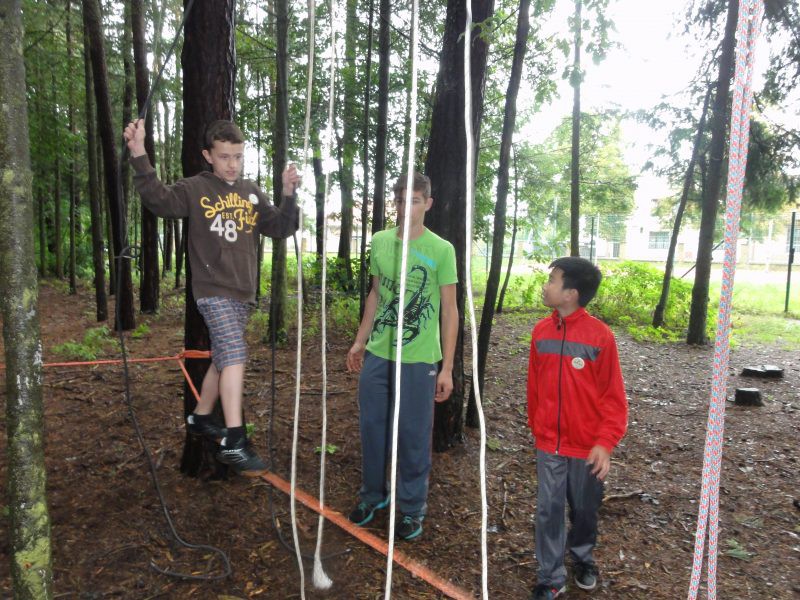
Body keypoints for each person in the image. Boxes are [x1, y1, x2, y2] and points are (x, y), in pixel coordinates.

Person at [123, 118, 300, 476]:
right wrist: (139, 152)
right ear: (208, 156)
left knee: (223, 358)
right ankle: (235, 440)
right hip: (212, 289)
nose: (232, 164)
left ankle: (202, 416)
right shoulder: (196, 188)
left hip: (242, 292)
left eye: (238, 156)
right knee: (234, 353)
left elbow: (281, 227)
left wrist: (288, 193)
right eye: (224, 157)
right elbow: (160, 200)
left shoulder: (251, 192)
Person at [345, 172, 458, 541]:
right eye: (399, 200)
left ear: (428, 204)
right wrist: (360, 341)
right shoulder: (380, 241)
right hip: (379, 353)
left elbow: (450, 311)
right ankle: (373, 495)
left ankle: (411, 507)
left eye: (414, 201)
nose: (405, 208)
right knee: (372, 428)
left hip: (419, 359)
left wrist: (447, 368)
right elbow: (376, 294)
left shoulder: (441, 249)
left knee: (412, 435)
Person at [527, 257, 628, 599]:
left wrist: (605, 442)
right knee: (549, 509)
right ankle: (550, 576)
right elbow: (534, 385)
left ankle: (583, 557)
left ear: (570, 293)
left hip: (586, 446)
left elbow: (613, 397)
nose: (546, 286)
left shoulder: (600, 336)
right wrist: (538, 424)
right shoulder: (541, 331)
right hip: (548, 442)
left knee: (585, 508)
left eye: (552, 280)